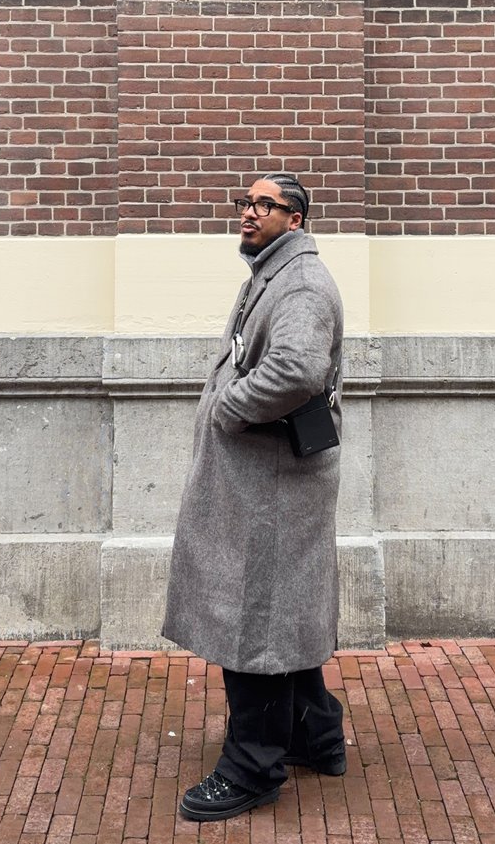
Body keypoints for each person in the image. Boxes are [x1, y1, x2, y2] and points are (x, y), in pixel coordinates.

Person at [162, 172, 345, 822]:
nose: (249, 211)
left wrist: (229, 407)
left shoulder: (301, 283)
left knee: (255, 621)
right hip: (264, 483)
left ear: (295, 219)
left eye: (266, 204)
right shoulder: (273, 274)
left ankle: (252, 768)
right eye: (246, 201)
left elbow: (298, 368)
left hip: (272, 488)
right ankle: (315, 734)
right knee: (277, 612)